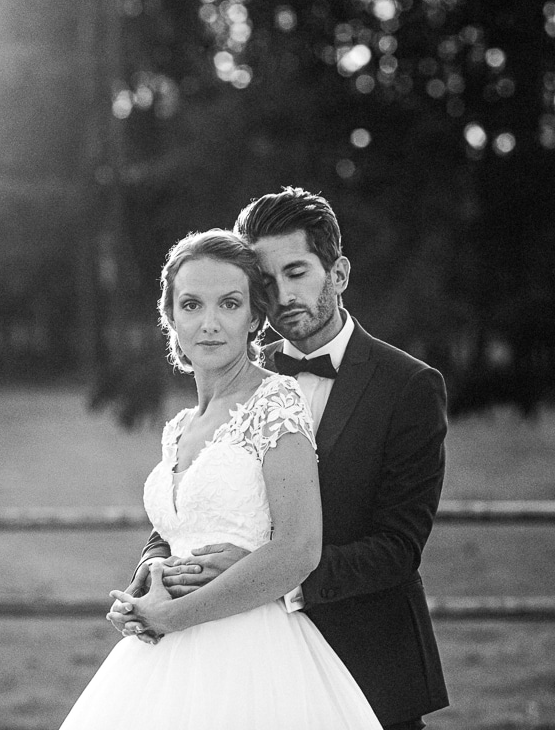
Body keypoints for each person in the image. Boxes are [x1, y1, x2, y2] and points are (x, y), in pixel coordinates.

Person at [124, 188, 449, 730]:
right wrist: (152, 573)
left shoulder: (409, 387)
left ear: (339, 272)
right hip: (227, 658)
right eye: (266, 283)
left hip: (367, 661)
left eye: (297, 272)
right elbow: (201, 501)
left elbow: (399, 545)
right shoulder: (235, 369)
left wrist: (278, 579)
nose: (282, 296)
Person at [59, 228, 382, 729]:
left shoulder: (276, 402)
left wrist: (175, 617)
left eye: (229, 304)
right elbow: (175, 537)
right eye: (191, 305)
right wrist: (146, 597)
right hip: (163, 660)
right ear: (170, 316)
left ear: (255, 317)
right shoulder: (180, 428)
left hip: (251, 654)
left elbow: (299, 549)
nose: (209, 324)